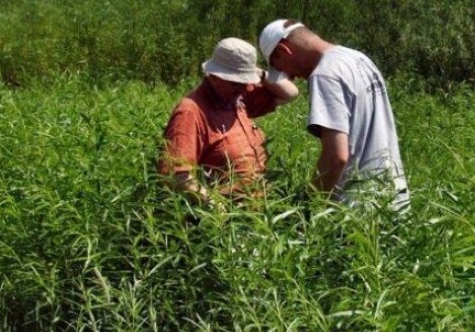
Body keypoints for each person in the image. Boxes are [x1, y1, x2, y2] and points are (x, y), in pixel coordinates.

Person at [259, 19, 409, 210]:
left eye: (280, 68)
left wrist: (307, 209)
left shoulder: (325, 75)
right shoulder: (357, 58)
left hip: (359, 211)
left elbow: (336, 156)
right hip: (392, 197)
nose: (289, 77)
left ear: (283, 51)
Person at [158, 37, 299, 204]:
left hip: (258, 210)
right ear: (215, 75)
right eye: (235, 82)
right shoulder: (191, 112)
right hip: (228, 220)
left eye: (246, 81)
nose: (243, 87)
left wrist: (257, 73)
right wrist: (216, 207)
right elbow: (176, 176)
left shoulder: (239, 96)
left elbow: (290, 93)